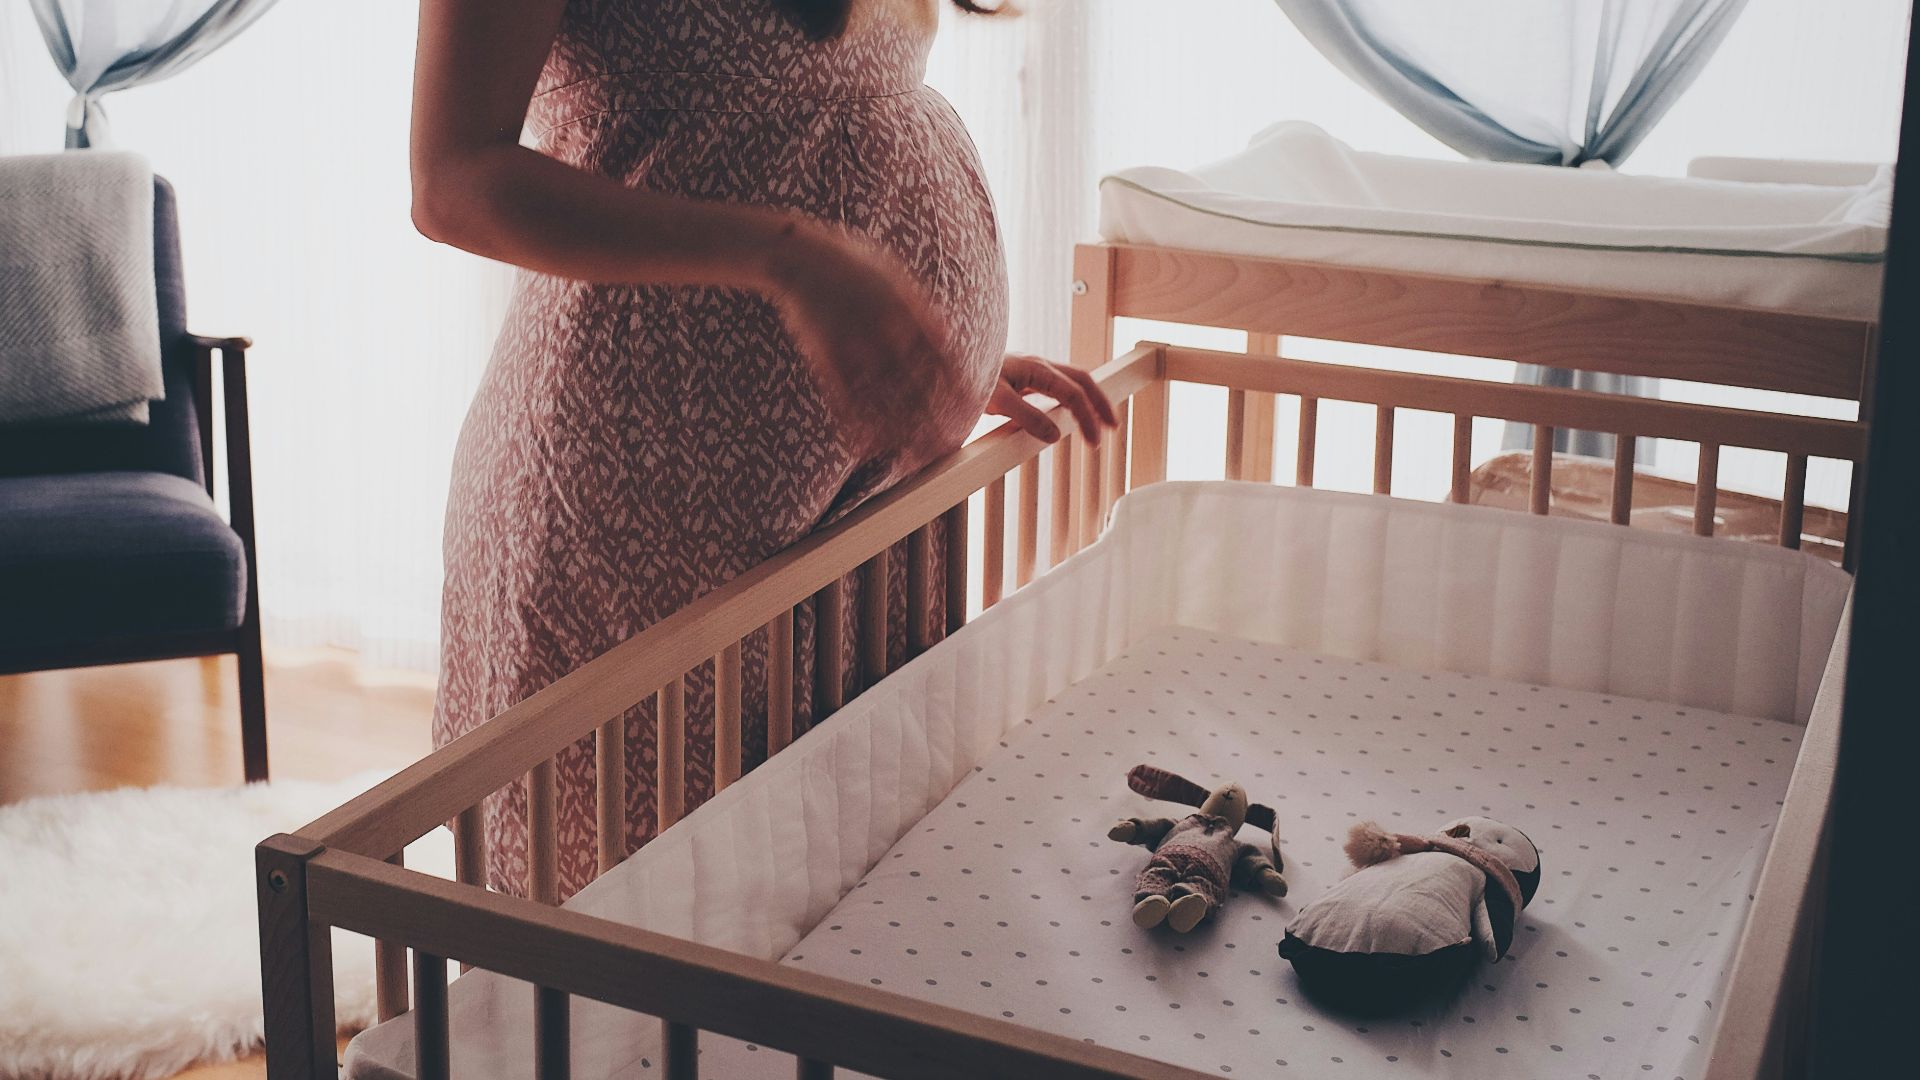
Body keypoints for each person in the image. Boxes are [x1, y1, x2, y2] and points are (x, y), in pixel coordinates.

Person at [413, 0, 1116, 897]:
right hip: (640, 503)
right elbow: (450, 181)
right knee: (641, 953)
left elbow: (814, 123)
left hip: (862, 509)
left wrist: (912, 350)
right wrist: (796, 258)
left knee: (818, 904)